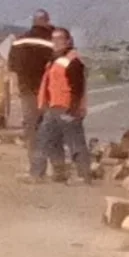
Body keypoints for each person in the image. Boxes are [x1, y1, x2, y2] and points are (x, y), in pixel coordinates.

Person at [19, 27, 91, 185]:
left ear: (68, 41)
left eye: (60, 39)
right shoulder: (55, 61)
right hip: (53, 108)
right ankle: (40, 174)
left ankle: (83, 176)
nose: (56, 42)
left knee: (75, 143)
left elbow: (77, 88)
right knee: (45, 141)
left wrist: (73, 109)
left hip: (67, 109)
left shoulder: (73, 61)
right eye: (54, 39)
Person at [7, 9, 54, 161]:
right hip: (49, 91)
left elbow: (12, 65)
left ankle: (35, 164)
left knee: (31, 126)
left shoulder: (20, 41)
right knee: (50, 127)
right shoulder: (55, 42)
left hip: (27, 89)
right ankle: (55, 166)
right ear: (47, 21)